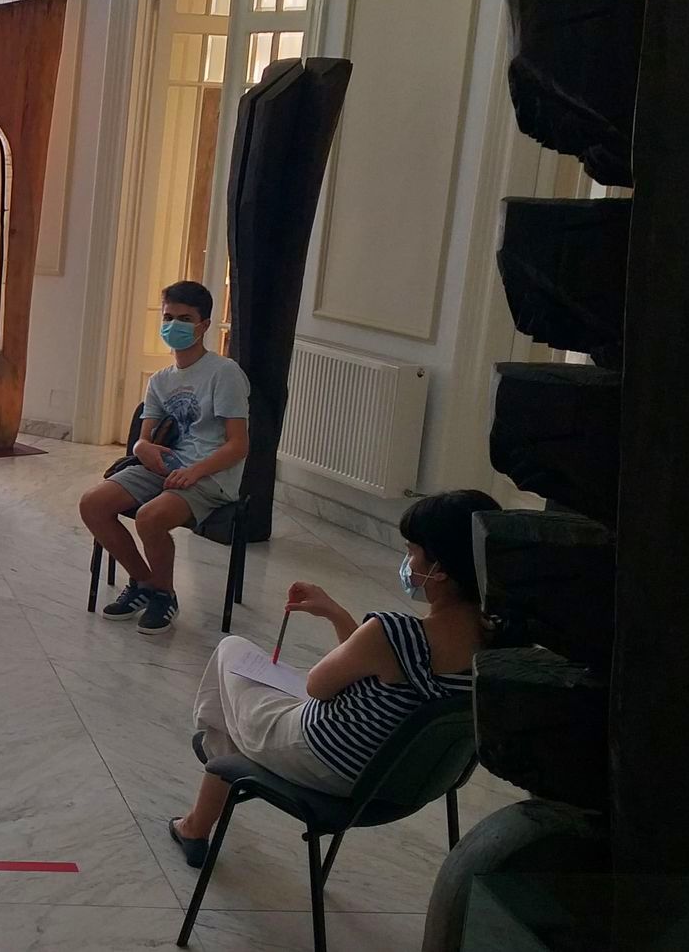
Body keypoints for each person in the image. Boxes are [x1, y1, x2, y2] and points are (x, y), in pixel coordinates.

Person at [166, 490, 499, 868]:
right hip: (404, 780)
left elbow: (318, 687)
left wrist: (347, 625)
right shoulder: (501, 643)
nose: (407, 563)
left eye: (412, 551)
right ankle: (201, 813)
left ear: (438, 569)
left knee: (232, 652)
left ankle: (212, 779)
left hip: (322, 761)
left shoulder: (395, 633)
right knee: (237, 712)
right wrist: (335, 613)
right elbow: (380, 669)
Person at [77, 280, 249, 633]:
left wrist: (195, 472)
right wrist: (142, 449)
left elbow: (238, 445)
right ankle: (145, 583)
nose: (174, 325)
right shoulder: (159, 380)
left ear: (204, 325)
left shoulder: (224, 373)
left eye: (185, 319)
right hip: (164, 467)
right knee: (92, 503)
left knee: (150, 517)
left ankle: (164, 595)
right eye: (168, 317)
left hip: (210, 475)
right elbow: (143, 439)